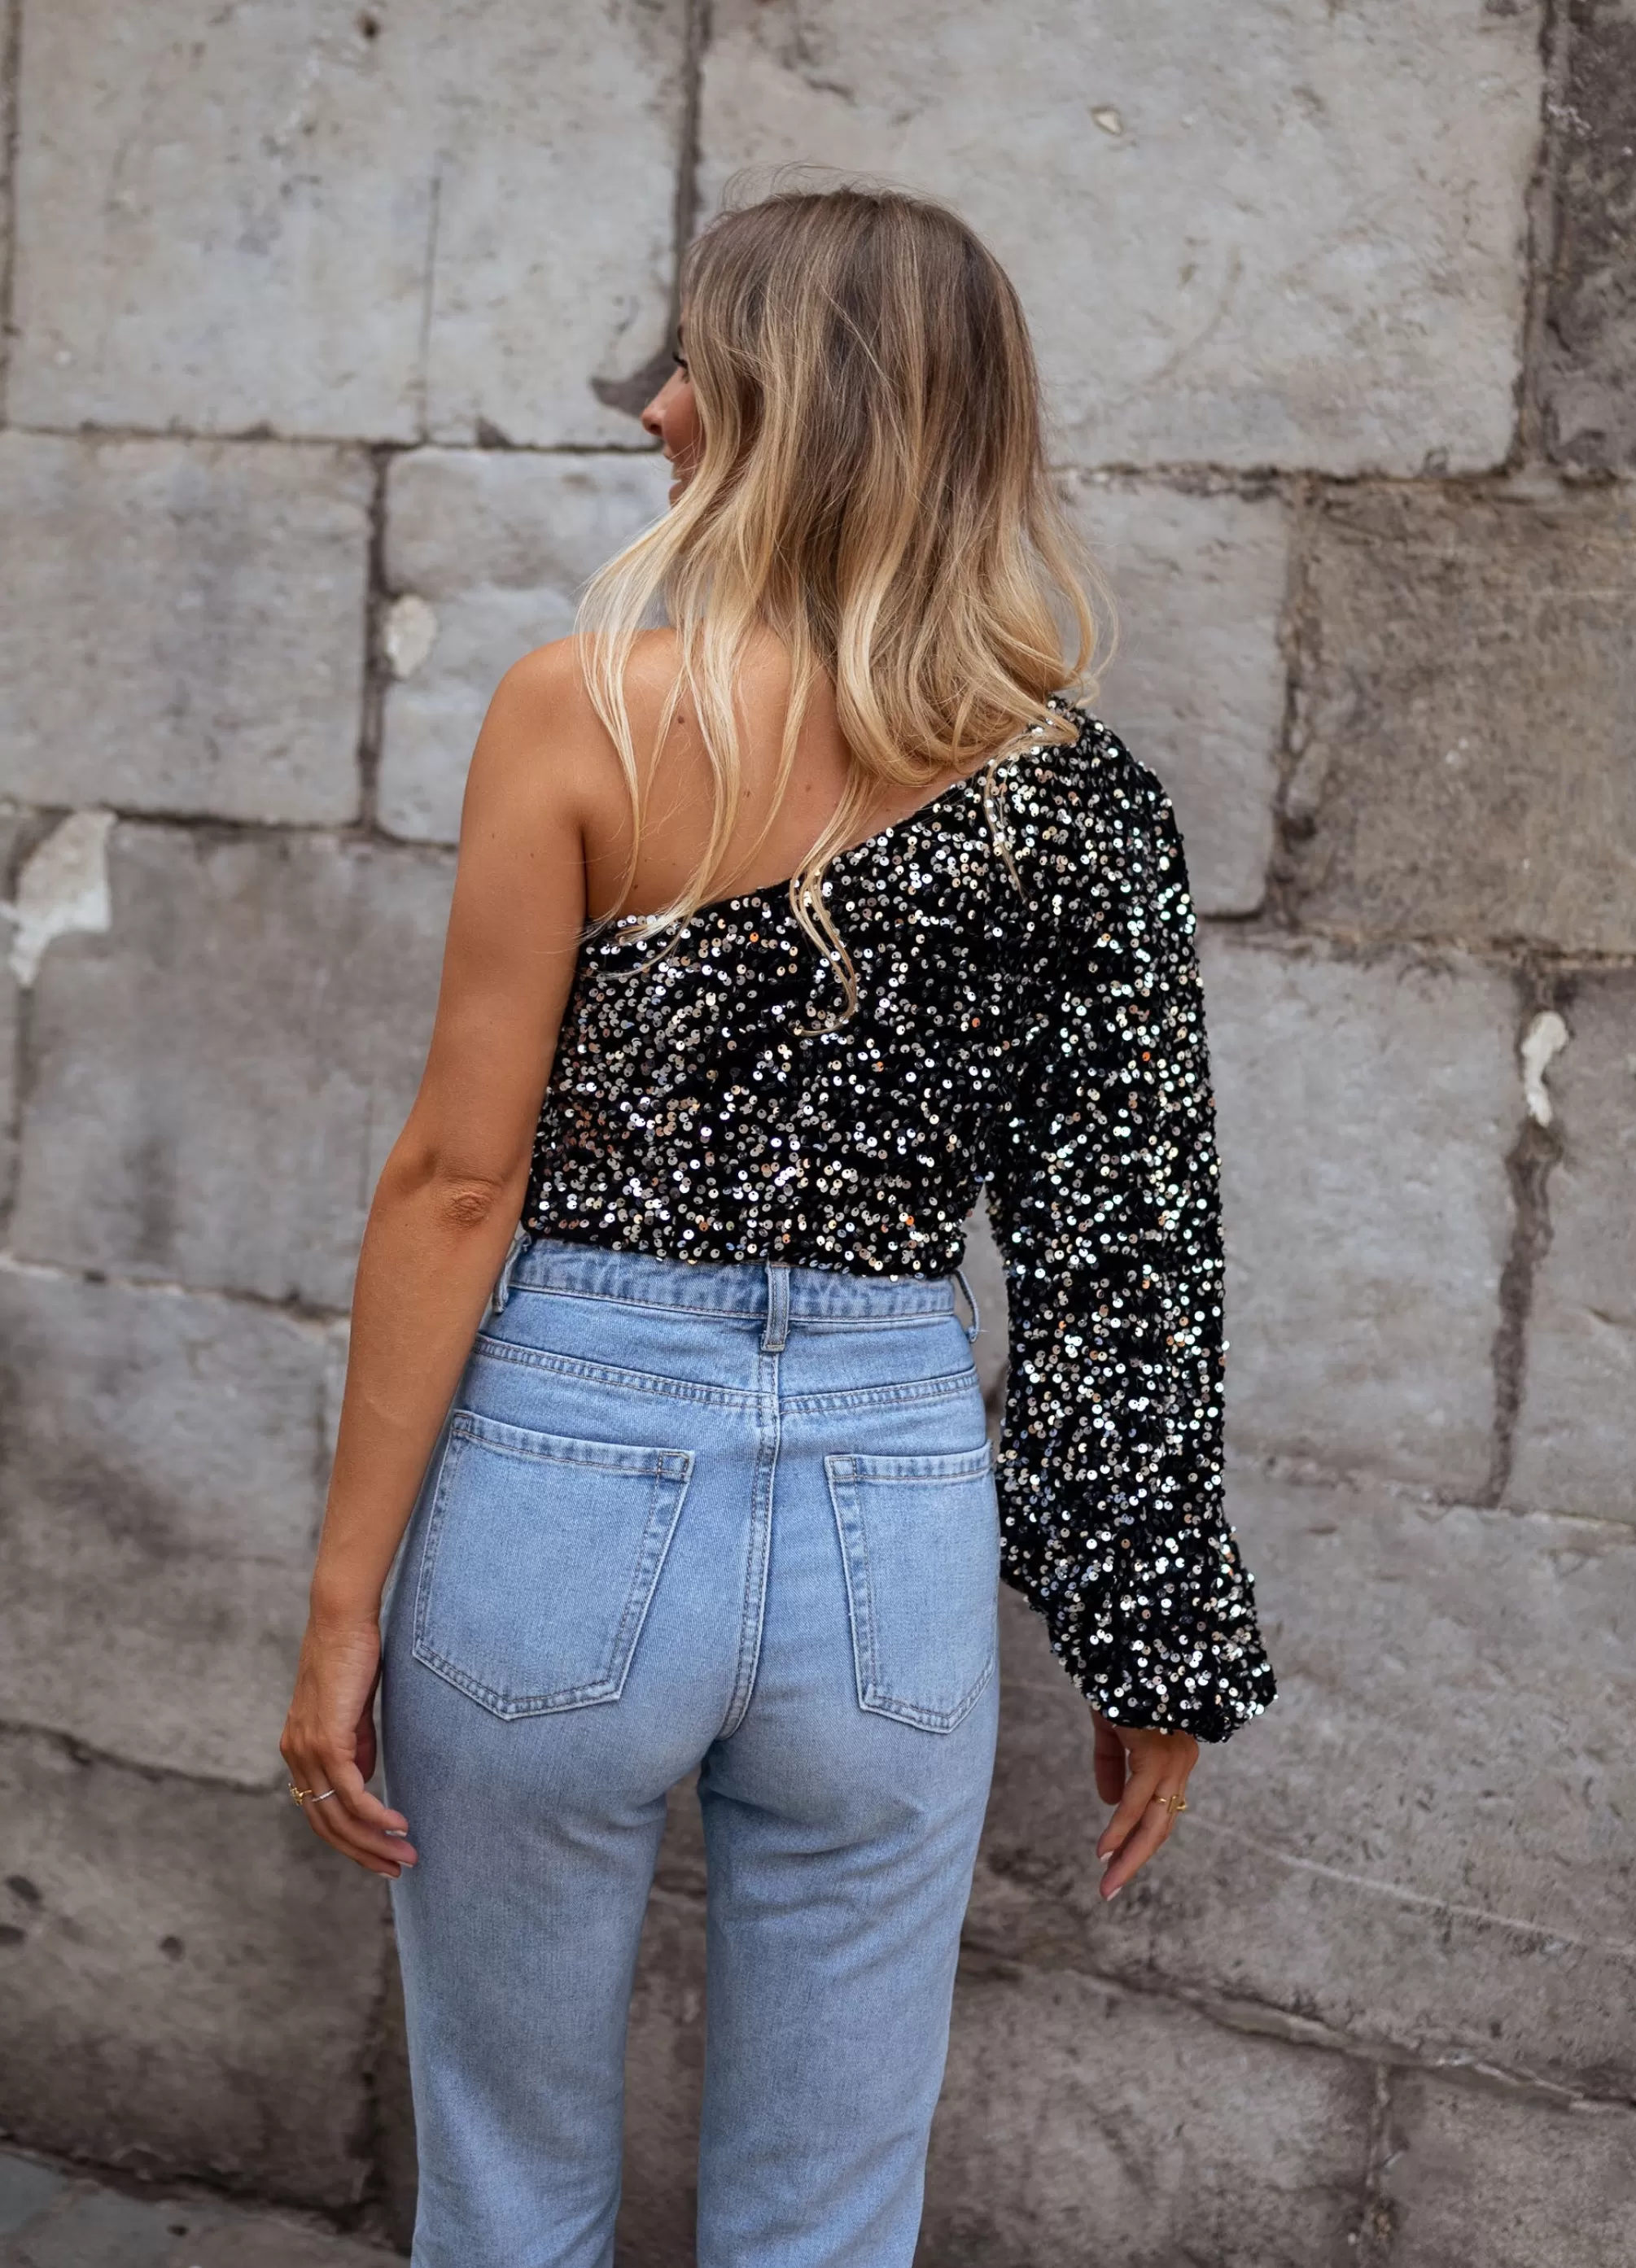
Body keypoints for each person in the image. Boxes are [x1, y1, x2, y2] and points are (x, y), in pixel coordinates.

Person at [281, 186, 1275, 2268]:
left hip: (567, 1475)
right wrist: (1147, 1631)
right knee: (827, 2221)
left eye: (694, 367)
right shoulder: (1080, 797)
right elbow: (1125, 1250)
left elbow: (458, 1181)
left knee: (508, 2190)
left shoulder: (586, 710)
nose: (654, 408)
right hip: (887, 1521)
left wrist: (345, 1597)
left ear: (792, 405)